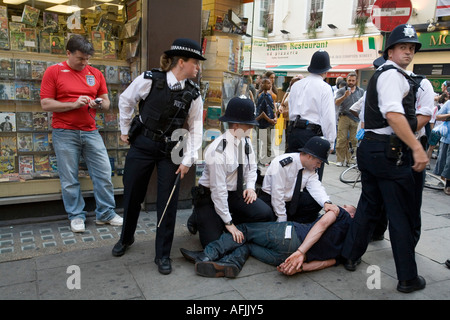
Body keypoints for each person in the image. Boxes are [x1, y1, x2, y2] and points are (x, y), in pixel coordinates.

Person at [341, 24, 429, 293]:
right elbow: (392, 114)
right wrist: (416, 147)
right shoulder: (392, 75)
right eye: (403, 47)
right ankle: (407, 278)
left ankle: (350, 255)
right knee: (400, 215)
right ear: (390, 50)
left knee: (369, 204)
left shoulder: (385, 73)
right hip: (388, 152)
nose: (408, 52)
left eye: (412, 48)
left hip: (373, 148)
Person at [112, 38, 205, 275]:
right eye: (195, 63)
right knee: (132, 194)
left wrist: (187, 161)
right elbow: (125, 100)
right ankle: (126, 238)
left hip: (171, 152)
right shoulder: (149, 80)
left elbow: (196, 129)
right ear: (181, 62)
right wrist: (124, 130)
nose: (198, 68)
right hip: (142, 145)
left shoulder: (193, 94)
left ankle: (163, 254)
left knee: (168, 204)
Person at [40, 35, 122, 233]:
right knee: (69, 177)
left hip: (91, 131)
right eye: (80, 59)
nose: (84, 63)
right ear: (68, 53)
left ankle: (106, 214)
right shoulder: (54, 72)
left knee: (103, 172)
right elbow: (46, 103)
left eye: (87, 59)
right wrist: (73, 104)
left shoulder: (95, 73)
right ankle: (76, 216)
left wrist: (98, 104)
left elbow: (107, 102)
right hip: (64, 131)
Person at [187, 96, 274, 248]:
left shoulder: (245, 140)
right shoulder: (218, 151)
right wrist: (229, 223)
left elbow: (252, 167)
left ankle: (230, 222)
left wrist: (250, 187)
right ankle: (199, 216)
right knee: (212, 243)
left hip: (234, 193)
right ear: (235, 125)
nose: (252, 128)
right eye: (248, 125)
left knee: (265, 213)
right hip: (211, 197)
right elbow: (218, 191)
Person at [179, 203, 356, 278]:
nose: (342, 205)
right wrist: (297, 269)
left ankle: (206, 255)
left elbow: (322, 224)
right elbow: (325, 263)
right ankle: (230, 264)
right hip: (285, 260)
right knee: (246, 245)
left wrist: (300, 251)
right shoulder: (347, 247)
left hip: (291, 237)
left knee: (245, 230)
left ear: (351, 213)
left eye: (346, 206)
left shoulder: (343, 215)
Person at [260, 136, 336, 224]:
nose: (319, 166)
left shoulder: (310, 168)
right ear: (309, 156)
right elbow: (277, 193)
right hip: (272, 199)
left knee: (316, 203)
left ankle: (296, 226)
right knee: (268, 218)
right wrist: (282, 218)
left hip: (291, 200)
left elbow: (316, 187)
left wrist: (326, 202)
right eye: (318, 162)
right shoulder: (283, 164)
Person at [286, 50, 336, 180]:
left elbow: (291, 110)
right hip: (312, 134)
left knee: (292, 173)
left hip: (294, 131)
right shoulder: (325, 88)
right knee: (310, 177)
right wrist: (330, 141)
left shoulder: (296, 85)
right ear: (326, 71)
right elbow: (328, 118)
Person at [334, 72, 365, 166]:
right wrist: (345, 96)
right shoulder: (341, 90)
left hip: (356, 117)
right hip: (344, 116)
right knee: (341, 139)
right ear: (346, 80)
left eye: (353, 80)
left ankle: (350, 160)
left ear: (356, 81)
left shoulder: (361, 91)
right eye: (349, 80)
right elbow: (336, 103)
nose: (351, 82)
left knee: (354, 140)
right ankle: (340, 159)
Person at [255, 77, 277, 164]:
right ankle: (265, 161)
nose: (269, 84)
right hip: (264, 124)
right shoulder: (262, 96)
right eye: (267, 83)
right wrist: (270, 120)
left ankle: (266, 160)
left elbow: (272, 108)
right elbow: (262, 112)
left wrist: (275, 116)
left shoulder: (269, 95)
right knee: (266, 143)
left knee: (268, 143)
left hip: (269, 123)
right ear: (262, 84)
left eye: (269, 83)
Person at [433, 99, 450, 195]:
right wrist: (448, 115)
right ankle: (448, 183)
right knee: (446, 161)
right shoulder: (448, 103)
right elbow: (438, 116)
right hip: (448, 137)